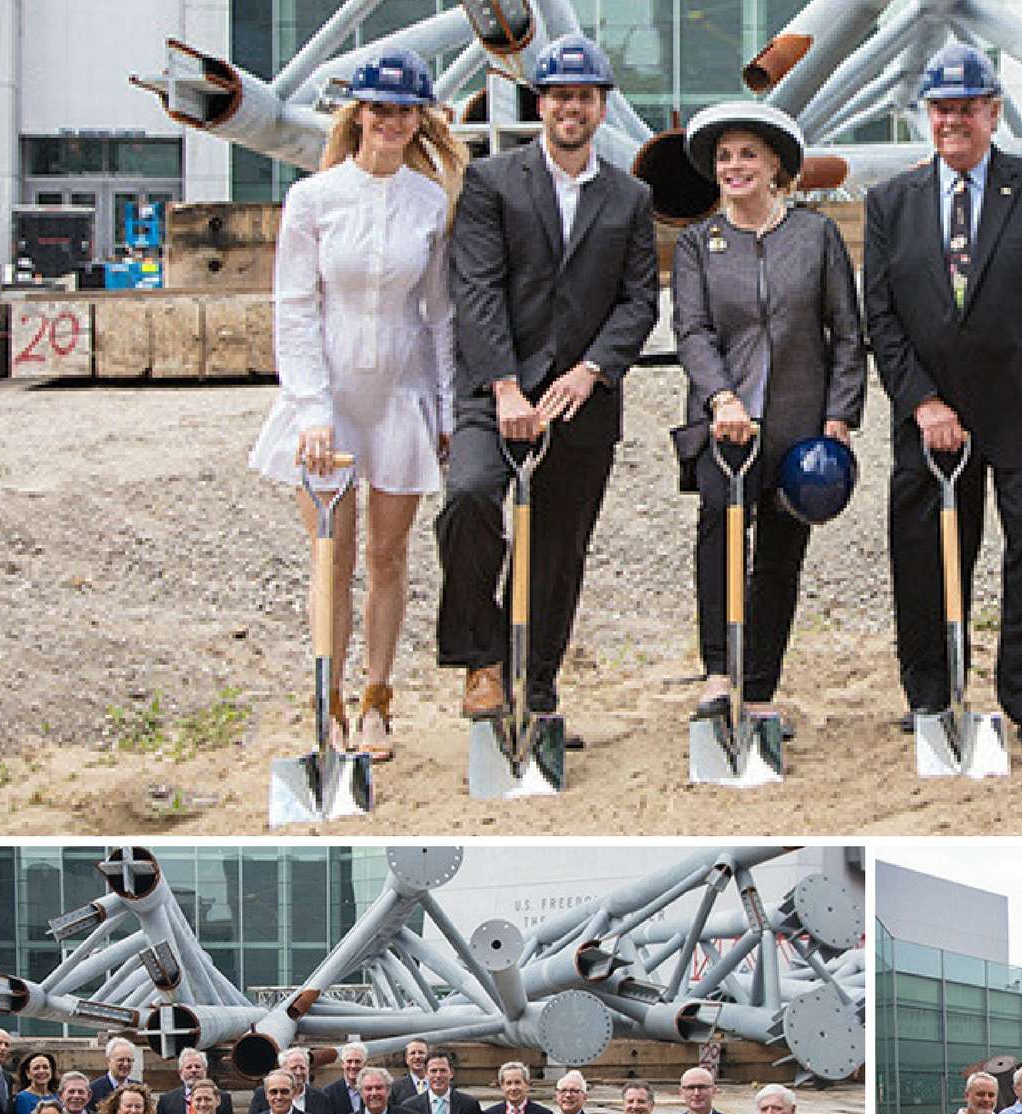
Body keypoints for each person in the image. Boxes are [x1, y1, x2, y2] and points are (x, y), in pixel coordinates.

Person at [863, 40, 1022, 759]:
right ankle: (933, 694)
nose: (953, 121)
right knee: (927, 554)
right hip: (933, 417)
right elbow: (882, 317)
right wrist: (921, 403)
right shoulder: (890, 204)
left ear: (993, 112)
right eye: (941, 108)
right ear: (926, 116)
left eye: (966, 107)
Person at [244, 46, 462, 759]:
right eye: (378, 109)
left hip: (399, 393)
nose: (390, 121)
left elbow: (438, 314)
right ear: (358, 113)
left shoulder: (430, 204)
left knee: (389, 554)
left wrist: (447, 408)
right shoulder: (314, 199)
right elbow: (295, 309)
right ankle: (327, 701)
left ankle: (377, 699)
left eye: (403, 111)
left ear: (417, 119)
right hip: (330, 399)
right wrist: (311, 409)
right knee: (331, 555)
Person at [439, 32, 659, 735]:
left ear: (601, 108)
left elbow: (638, 301)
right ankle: (483, 658)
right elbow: (475, 288)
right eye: (561, 95)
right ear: (542, 102)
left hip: (581, 403)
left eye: (585, 97)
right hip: (494, 389)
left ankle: (535, 682)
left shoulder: (629, 197)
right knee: (469, 499)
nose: (572, 108)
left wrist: (591, 370)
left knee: (559, 548)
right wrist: (505, 385)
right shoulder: (492, 182)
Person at [670, 99, 865, 725]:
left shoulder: (815, 235)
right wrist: (720, 398)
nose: (735, 167)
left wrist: (838, 417)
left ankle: (759, 688)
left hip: (798, 426)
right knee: (718, 539)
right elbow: (693, 331)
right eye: (725, 157)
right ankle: (717, 675)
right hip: (723, 426)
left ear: (775, 163)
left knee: (781, 553)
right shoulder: (700, 244)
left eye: (748, 154)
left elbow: (846, 331)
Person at [155, 1048, 237, 1114]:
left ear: (205, 1071)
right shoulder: (166, 1101)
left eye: (198, 1067)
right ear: (180, 1073)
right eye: (189, 1067)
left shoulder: (223, 1098)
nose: (193, 1070)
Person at [14, 1050, 60, 1114]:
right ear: (28, 1073)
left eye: (45, 1067)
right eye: (36, 1068)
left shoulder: (56, 1096)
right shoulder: (23, 1098)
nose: (41, 1071)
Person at [86, 1038, 140, 1107]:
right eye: (121, 1060)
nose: (126, 1064)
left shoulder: (139, 1088)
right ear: (109, 1061)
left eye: (129, 1060)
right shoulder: (94, 1090)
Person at [392, 1039, 429, 1105]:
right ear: (406, 1059)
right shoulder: (396, 1087)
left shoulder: (439, 1083)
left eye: (421, 1052)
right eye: (413, 1053)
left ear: (428, 1056)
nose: (417, 1056)